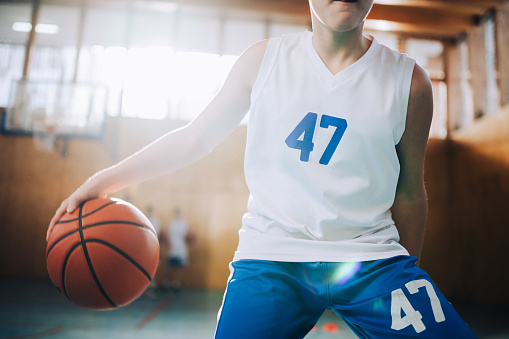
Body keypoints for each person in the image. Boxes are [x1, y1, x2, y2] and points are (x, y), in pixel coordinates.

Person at [47, 0, 477, 337]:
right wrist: (100, 181)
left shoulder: (410, 82)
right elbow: (195, 138)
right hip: (272, 257)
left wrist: (406, 269)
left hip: (372, 261)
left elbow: (408, 191)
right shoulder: (263, 60)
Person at [162, 207, 189, 290]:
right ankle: (166, 282)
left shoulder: (184, 223)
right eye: (176, 213)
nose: (177, 215)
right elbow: (169, 234)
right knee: (169, 265)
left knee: (178, 266)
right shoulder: (171, 223)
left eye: (178, 213)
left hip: (180, 247)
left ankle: (176, 283)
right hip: (172, 245)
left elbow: (185, 235)